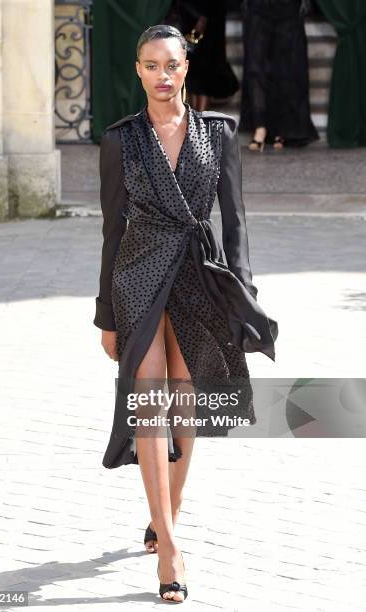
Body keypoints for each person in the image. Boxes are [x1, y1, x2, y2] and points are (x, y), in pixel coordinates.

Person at [93, 24, 278, 602]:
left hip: (200, 273)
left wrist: (240, 295)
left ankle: (167, 509)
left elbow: (236, 221)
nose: (163, 75)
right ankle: (169, 548)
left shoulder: (218, 134)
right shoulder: (120, 140)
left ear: (186, 68)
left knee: (186, 397)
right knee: (149, 399)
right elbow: (111, 229)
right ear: (139, 71)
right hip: (139, 273)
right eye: (151, 66)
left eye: (171, 65)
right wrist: (107, 315)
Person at [239, 0, 319, 150]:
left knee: (285, 69)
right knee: (255, 67)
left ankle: (281, 129)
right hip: (258, 7)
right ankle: (260, 127)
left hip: (288, 8)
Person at [166, 0, 239, 111]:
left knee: (205, 75)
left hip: (209, 22)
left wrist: (204, 16)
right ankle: (195, 119)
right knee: (192, 74)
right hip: (192, 20)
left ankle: (200, 120)